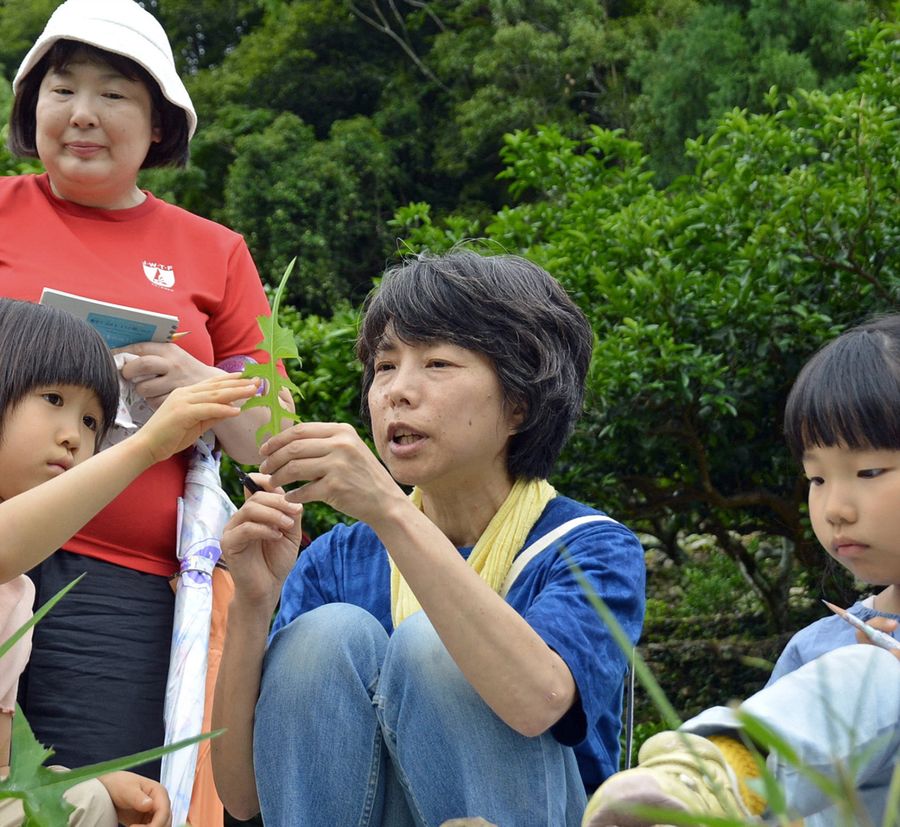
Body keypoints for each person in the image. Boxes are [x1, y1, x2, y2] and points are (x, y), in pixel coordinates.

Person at [211, 250, 647, 826]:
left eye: (438, 364)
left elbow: (538, 700)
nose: (398, 390)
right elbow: (244, 798)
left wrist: (389, 509)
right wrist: (252, 603)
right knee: (325, 633)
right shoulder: (336, 561)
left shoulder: (588, 547)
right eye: (386, 367)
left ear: (519, 404)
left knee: (431, 646)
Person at [0, 0, 287, 777]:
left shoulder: (215, 252)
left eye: (114, 94)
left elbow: (275, 444)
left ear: (158, 123)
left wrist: (204, 381)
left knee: (102, 793)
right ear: (33, 108)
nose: (82, 114)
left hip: (121, 586)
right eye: (62, 90)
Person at [582, 314, 900, 827]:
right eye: (816, 479)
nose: (835, 507)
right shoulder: (821, 646)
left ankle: (717, 771)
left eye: (868, 471)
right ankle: (709, 784)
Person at [0, 298, 260, 826]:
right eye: (52, 398)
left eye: (93, 422)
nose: (73, 436)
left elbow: (7, 776)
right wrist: (146, 447)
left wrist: (84, 784)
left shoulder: (17, 592)